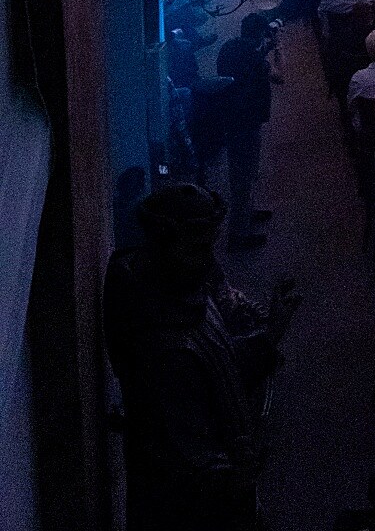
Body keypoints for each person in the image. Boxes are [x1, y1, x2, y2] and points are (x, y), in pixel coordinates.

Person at [104, 182, 299, 531]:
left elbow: (218, 365)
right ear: (162, 246)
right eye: (198, 248)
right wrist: (239, 473)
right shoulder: (165, 353)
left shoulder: (179, 291)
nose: (210, 261)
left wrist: (270, 336)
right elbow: (194, 468)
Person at [215, 12, 281, 249]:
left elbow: (244, 68)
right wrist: (277, 49)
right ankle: (238, 236)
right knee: (244, 175)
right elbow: (278, 76)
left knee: (241, 172)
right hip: (248, 120)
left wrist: (263, 51)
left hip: (230, 116)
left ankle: (247, 213)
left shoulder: (229, 48)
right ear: (261, 34)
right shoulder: (254, 57)